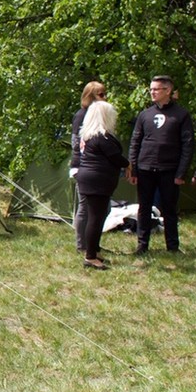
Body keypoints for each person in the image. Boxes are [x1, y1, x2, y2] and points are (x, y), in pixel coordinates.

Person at [128, 75, 195, 253]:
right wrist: (133, 168)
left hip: (169, 170)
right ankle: (142, 246)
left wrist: (181, 173)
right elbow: (135, 141)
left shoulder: (181, 114)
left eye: (156, 89)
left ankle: (172, 247)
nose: (152, 92)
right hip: (145, 168)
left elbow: (188, 145)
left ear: (167, 91)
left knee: (170, 209)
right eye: (151, 89)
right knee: (144, 208)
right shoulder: (145, 115)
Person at [76, 100, 128, 269]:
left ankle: (94, 249)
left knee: (98, 215)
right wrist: (129, 165)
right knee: (95, 218)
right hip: (96, 180)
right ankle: (90, 257)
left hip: (90, 178)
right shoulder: (102, 137)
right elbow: (116, 158)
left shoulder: (89, 136)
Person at [69, 81, 107, 252]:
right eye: (101, 94)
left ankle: (92, 244)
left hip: (98, 167)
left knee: (102, 208)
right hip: (84, 167)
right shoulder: (81, 115)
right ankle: (82, 245)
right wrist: (78, 166)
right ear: (90, 96)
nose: (105, 97)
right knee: (85, 207)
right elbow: (76, 144)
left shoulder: (100, 114)